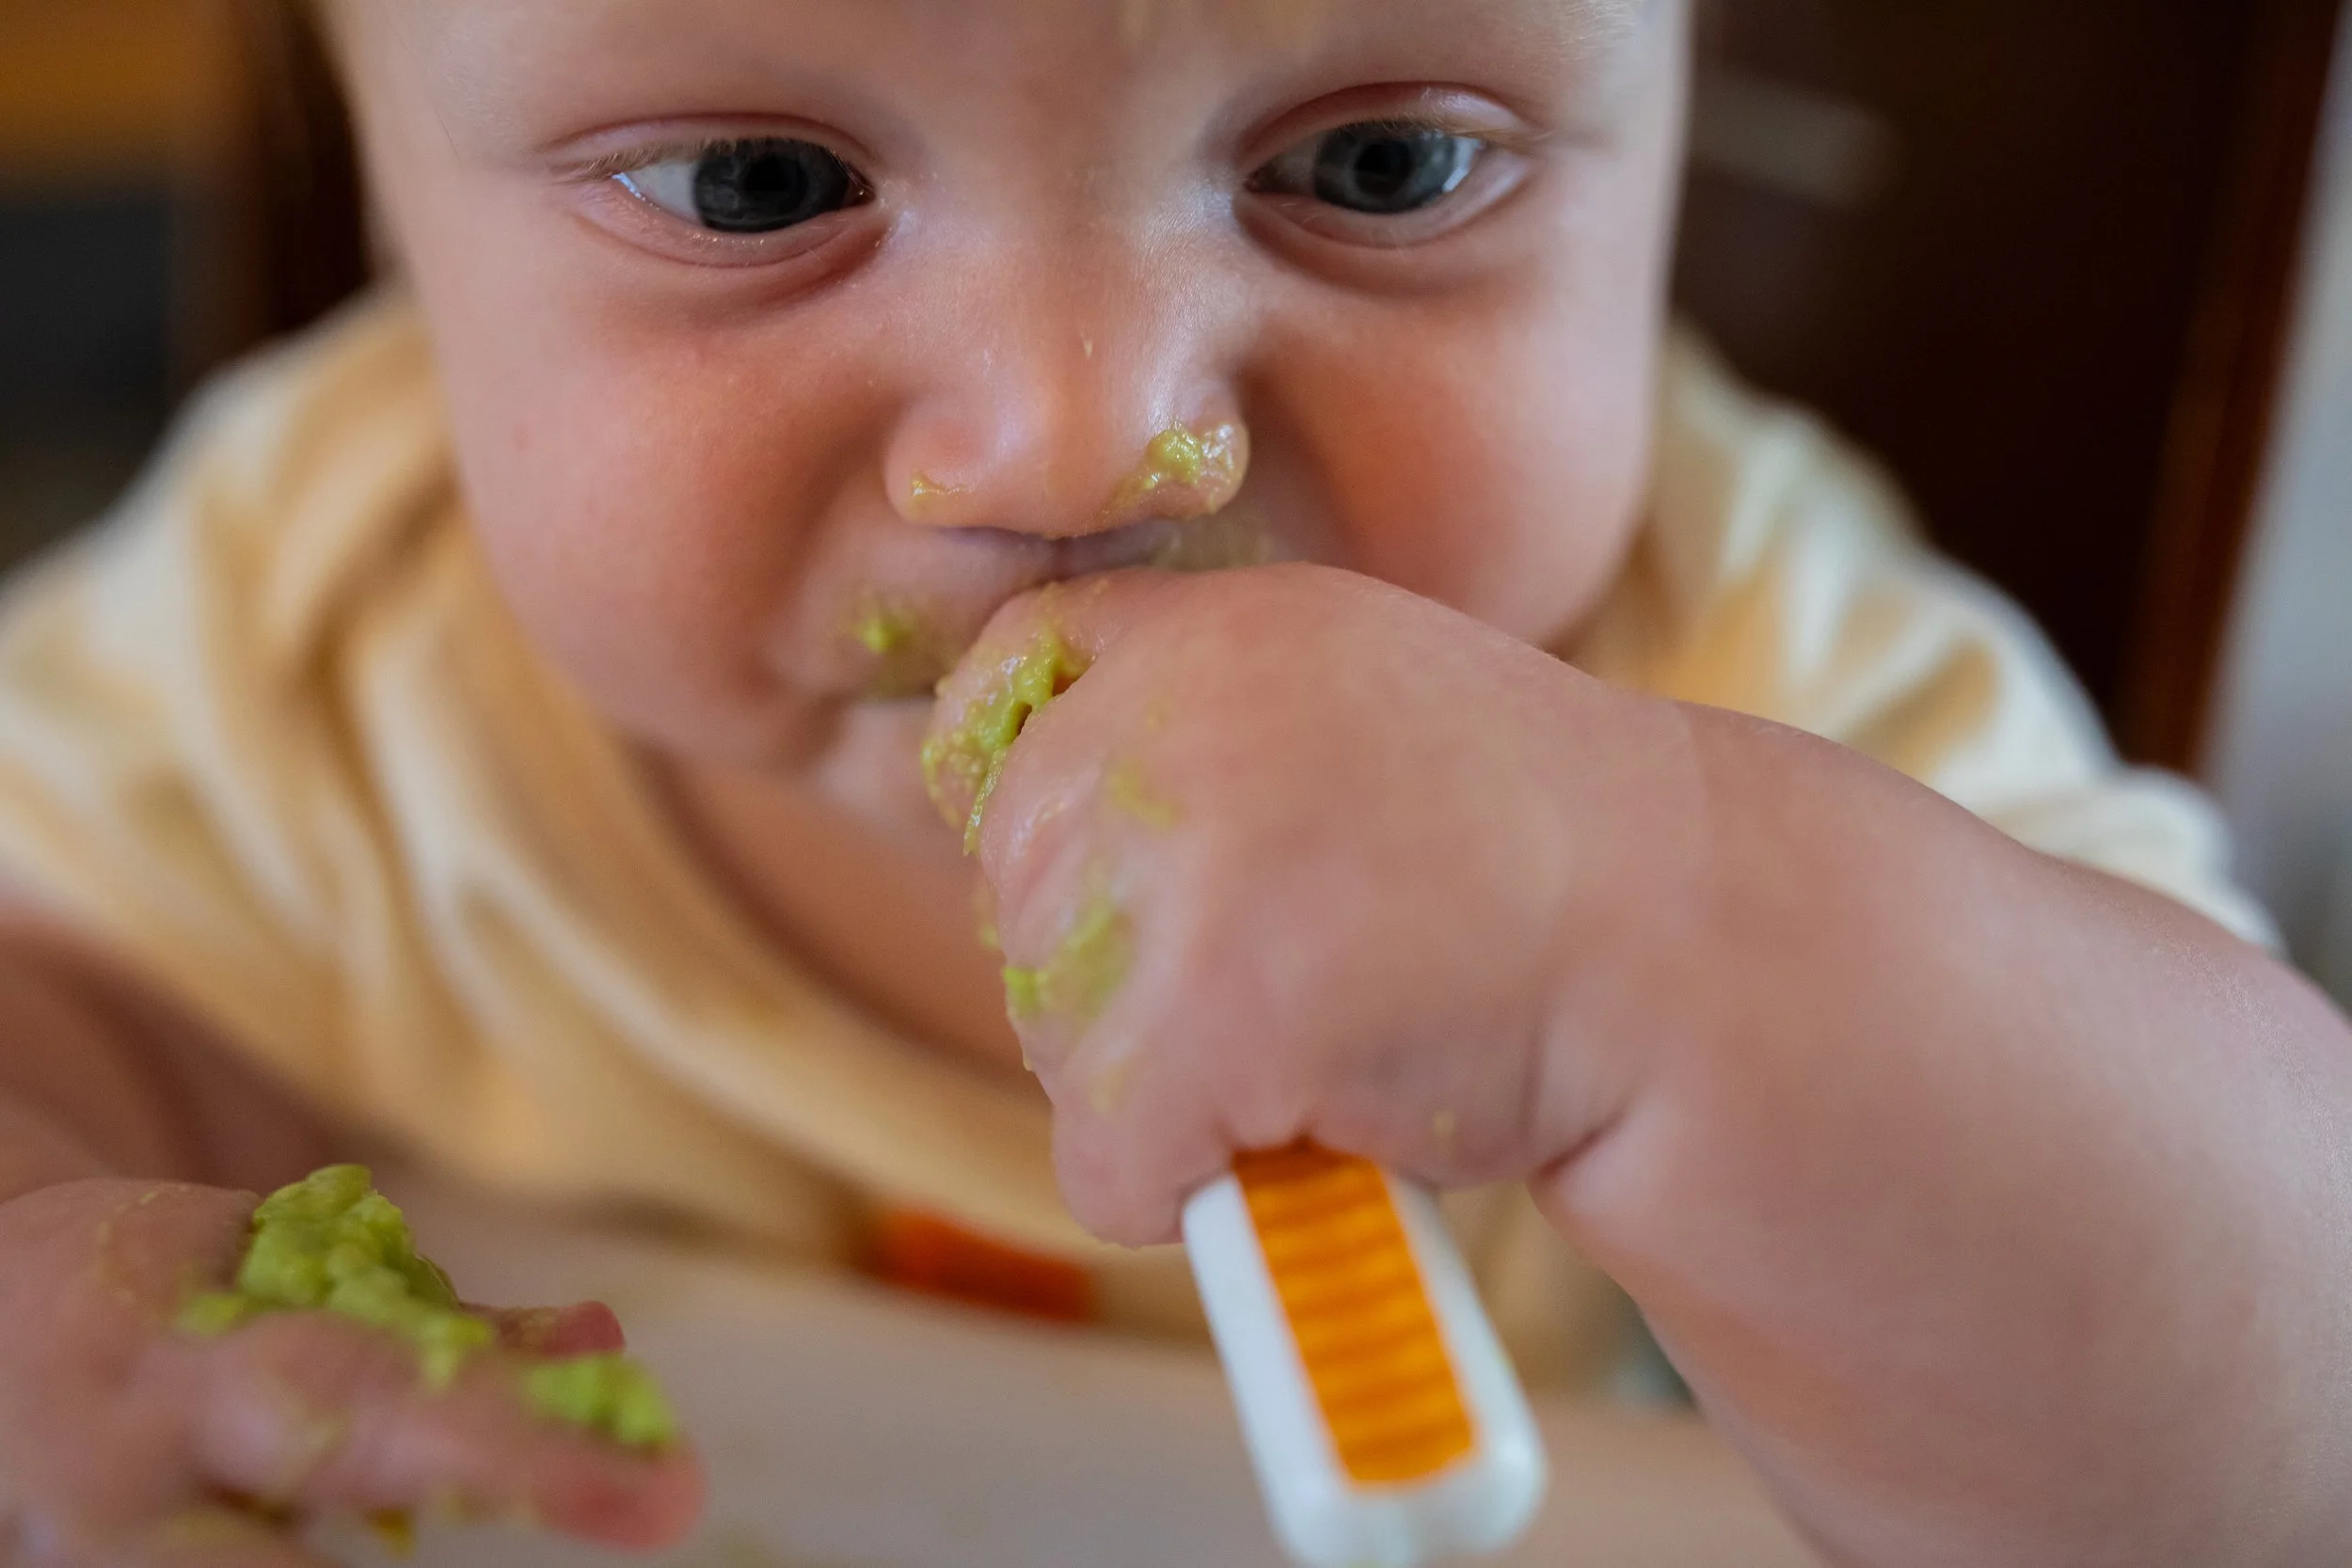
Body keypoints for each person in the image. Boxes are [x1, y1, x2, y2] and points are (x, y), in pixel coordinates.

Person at [1, 0, 2346, 1562]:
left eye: (1383, 161)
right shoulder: (315, 645)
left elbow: (2288, 1422)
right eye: (752, 187)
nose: (1085, 438)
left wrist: (1661, 917)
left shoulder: (1741, 672)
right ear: (387, 180)